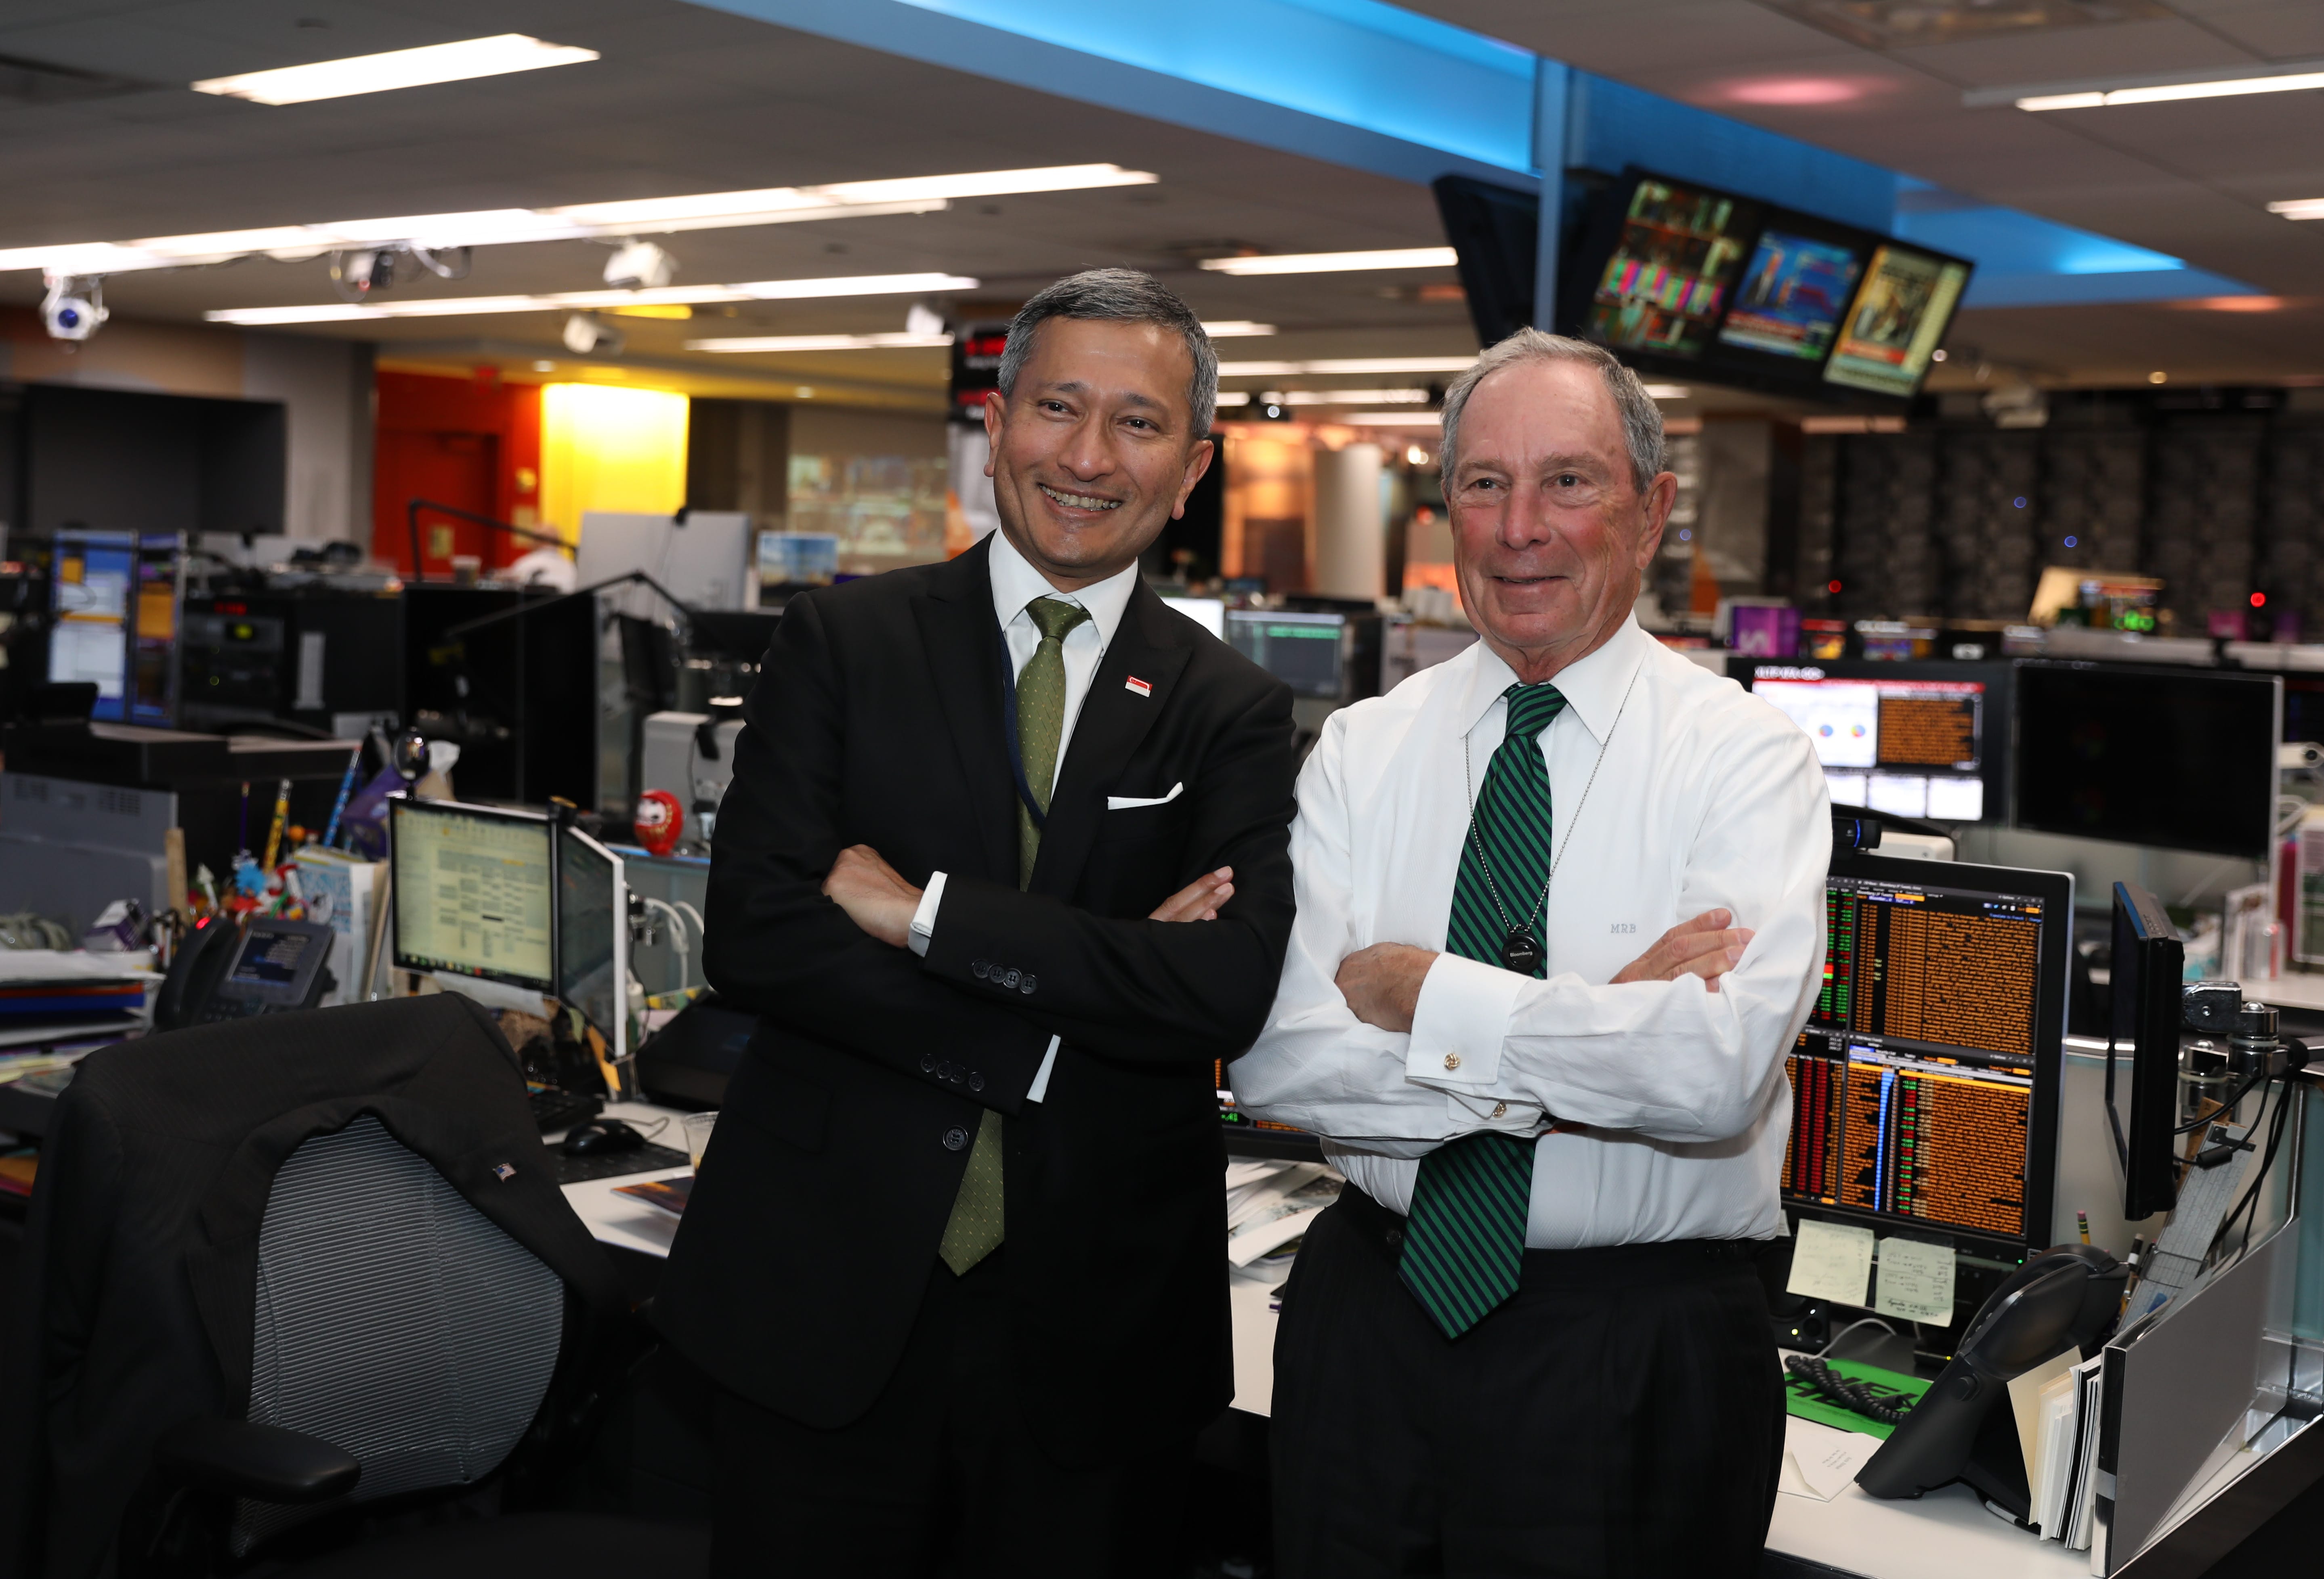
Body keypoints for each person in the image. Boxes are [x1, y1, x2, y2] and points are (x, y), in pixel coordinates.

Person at [658, 269, 1300, 1577]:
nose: (1084, 455)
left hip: (1097, 1324)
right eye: (1057, 408)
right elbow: (761, 931)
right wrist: (1064, 1025)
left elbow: (1224, 987)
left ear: (1192, 468)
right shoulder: (844, 640)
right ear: (996, 425)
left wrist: (916, 916)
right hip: (824, 1292)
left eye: (1136, 423)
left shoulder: (1229, 705)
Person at [1228, 326, 1830, 1576]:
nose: (1520, 528)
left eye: (1568, 480)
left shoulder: (1744, 757)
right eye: (1484, 484)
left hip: (1635, 1341)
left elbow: (1708, 1077)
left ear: (1650, 508)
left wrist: (1422, 993)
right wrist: (1589, 1027)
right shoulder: (1358, 749)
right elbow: (1281, 1064)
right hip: (1367, 1320)